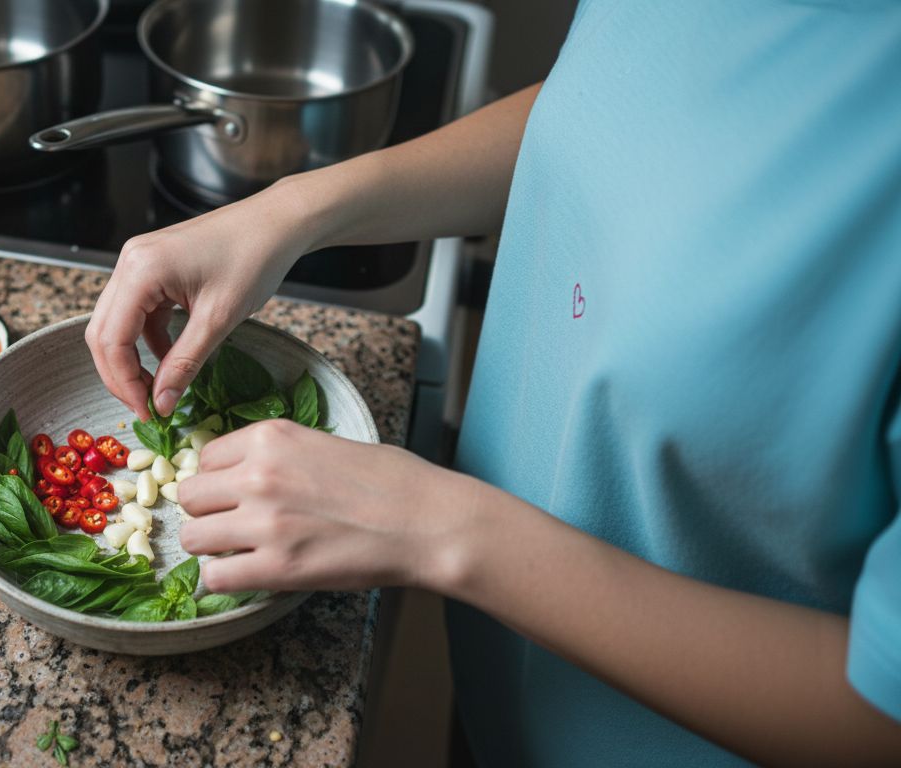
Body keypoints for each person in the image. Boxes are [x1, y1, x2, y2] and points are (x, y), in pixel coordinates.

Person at [84, 1, 901, 765]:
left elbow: (880, 715)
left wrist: (438, 526)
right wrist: (294, 210)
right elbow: (614, 113)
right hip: (506, 687)